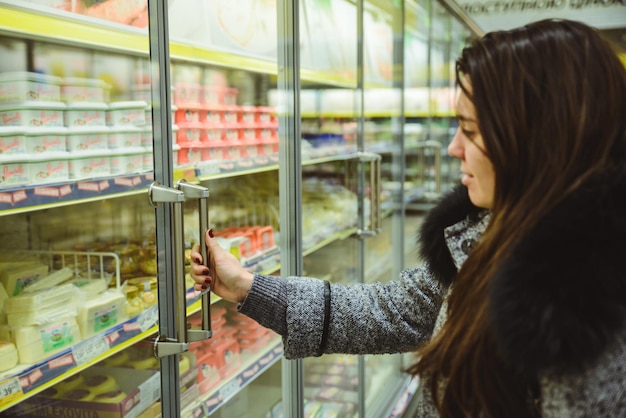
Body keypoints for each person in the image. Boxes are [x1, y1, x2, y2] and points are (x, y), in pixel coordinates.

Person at [190, 19, 626, 417]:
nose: (454, 147)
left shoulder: (593, 306)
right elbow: (398, 310)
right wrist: (252, 288)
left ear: (540, 139)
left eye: (471, 131)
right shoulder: (492, 229)